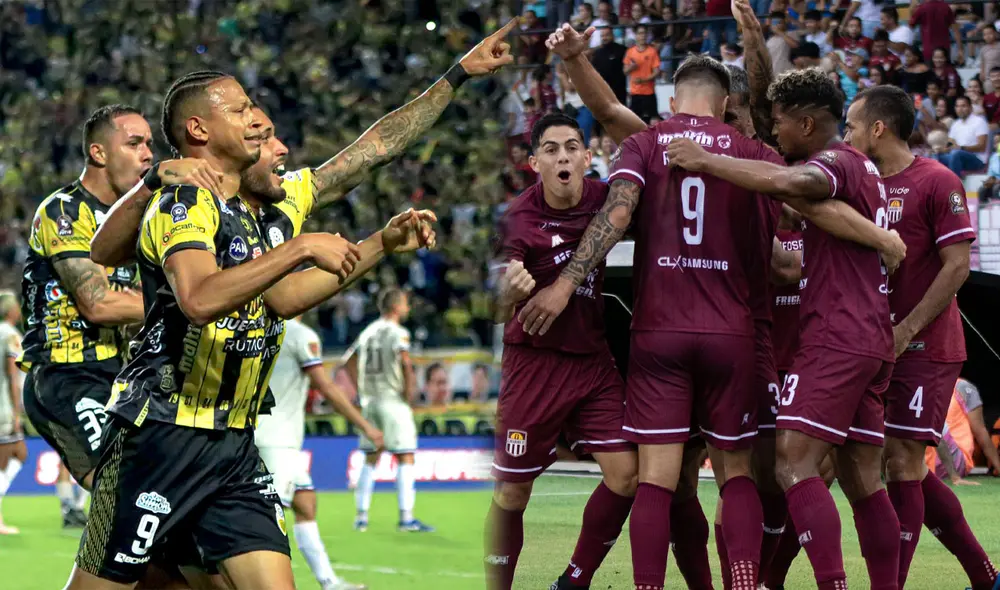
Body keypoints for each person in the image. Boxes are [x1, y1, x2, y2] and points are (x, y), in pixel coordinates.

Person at [544, 20, 905, 589]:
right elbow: (797, 215)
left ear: (673, 98)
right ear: (724, 104)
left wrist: (572, 59)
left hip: (665, 330)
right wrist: (881, 237)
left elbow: (612, 130)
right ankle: (746, 582)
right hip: (741, 336)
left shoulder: (656, 142)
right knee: (746, 472)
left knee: (666, 477)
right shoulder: (759, 159)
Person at [665, 64, 904, 589]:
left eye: (780, 121)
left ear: (807, 124)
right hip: (872, 337)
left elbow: (797, 183)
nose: (775, 131)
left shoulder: (836, 160)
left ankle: (832, 584)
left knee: (792, 463)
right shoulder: (867, 170)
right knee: (864, 479)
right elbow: (805, 214)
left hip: (835, 335)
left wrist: (707, 160)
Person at [16, 104, 222, 529]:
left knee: (162, 502)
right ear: (99, 153)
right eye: (134, 143)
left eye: (149, 143)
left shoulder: (144, 217)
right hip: (68, 374)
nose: (148, 153)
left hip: (126, 376)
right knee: (128, 490)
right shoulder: (64, 211)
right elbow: (99, 304)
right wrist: (189, 298)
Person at [841, 84, 996, 590]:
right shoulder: (858, 185)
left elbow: (957, 267)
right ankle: (985, 576)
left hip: (925, 346)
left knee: (903, 462)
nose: (846, 136)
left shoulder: (937, 180)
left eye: (851, 126)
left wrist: (906, 329)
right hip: (871, 346)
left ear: (878, 128)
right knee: (891, 466)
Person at [486, 113, 637, 590]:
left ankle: (573, 581)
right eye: (550, 150)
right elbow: (493, 309)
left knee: (626, 475)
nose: (563, 157)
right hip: (534, 364)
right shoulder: (517, 218)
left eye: (572, 147)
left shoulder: (606, 199)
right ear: (534, 163)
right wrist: (508, 294)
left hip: (592, 364)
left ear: (588, 157)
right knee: (513, 493)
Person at [254, 316, 384, 590]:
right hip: (279, 440)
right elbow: (325, 386)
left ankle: (329, 583)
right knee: (265, 523)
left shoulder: (254, 328)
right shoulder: (301, 335)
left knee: (305, 502)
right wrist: (365, 426)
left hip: (256, 433)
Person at [347, 289, 434, 533]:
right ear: (396, 307)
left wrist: (360, 389)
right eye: (405, 303)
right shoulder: (399, 332)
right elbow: (405, 362)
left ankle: (361, 517)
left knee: (371, 456)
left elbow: (348, 362)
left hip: (370, 401)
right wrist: (409, 393)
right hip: (393, 400)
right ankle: (406, 518)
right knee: (405, 456)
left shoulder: (368, 331)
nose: (408, 308)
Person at [0, 290, 25, 535]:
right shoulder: (10, 335)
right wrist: (17, 413)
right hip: (4, 407)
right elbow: (13, 376)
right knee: (18, 453)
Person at [937, 96, 990, 176]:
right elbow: (950, 143)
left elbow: (982, 147)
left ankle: (954, 183)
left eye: (963, 106)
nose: (960, 109)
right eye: (957, 106)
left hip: (977, 160)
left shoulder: (979, 121)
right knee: (935, 156)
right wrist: (941, 150)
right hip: (956, 156)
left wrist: (961, 148)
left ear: (970, 108)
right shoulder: (956, 124)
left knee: (956, 154)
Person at [623, 25, 660, 123]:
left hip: (649, 92)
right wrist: (631, 67)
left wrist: (643, 80)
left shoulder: (652, 51)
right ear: (636, 35)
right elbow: (625, 71)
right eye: (640, 33)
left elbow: (656, 72)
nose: (642, 36)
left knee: (653, 122)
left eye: (644, 33)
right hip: (635, 93)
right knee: (635, 122)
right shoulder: (630, 52)